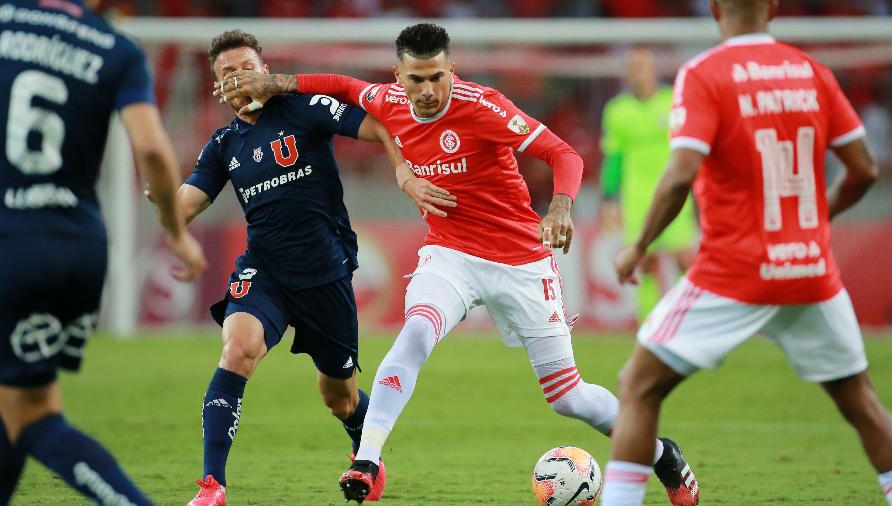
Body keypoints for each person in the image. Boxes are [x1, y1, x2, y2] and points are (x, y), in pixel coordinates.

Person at [215, 23, 700, 506]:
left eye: (437, 78)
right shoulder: (389, 101)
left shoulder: (483, 106)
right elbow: (342, 85)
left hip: (520, 260)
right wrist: (279, 83)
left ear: (452, 70)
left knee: (567, 397)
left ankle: (662, 454)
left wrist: (560, 206)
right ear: (397, 77)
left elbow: (562, 153)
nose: (427, 91)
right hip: (451, 253)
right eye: (415, 80)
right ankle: (367, 459)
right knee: (417, 332)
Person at [601, 1, 892, 504]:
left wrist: (638, 245)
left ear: (714, 8)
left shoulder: (704, 73)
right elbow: (864, 168)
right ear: (774, 6)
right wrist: (816, 220)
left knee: (638, 387)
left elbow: (682, 173)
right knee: (861, 403)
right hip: (810, 269)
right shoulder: (813, 73)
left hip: (734, 271)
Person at [166, 30, 403, 506]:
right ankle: (213, 486)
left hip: (325, 273)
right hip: (264, 272)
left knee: (339, 397)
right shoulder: (224, 143)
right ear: (217, 86)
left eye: (246, 67)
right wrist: (162, 201)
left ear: (265, 68)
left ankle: (367, 455)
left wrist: (402, 168)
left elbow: (376, 124)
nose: (238, 77)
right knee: (237, 350)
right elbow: (184, 206)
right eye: (227, 72)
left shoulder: (305, 108)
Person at [0, 0, 206, 504]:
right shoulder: (118, 48)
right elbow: (152, 148)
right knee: (18, 399)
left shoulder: (2, 19)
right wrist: (175, 231)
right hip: (79, 245)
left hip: (11, 239)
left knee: (34, 415)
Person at [600, 46, 698, 322]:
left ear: (653, 70)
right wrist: (609, 199)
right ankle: (650, 323)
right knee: (644, 262)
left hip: (674, 192)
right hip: (637, 197)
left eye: (643, 67)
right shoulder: (617, 111)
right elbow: (614, 158)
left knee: (684, 258)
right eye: (633, 68)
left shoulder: (674, 101)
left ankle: (686, 317)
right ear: (627, 75)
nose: (638, 73)